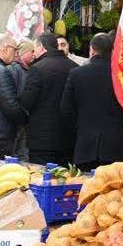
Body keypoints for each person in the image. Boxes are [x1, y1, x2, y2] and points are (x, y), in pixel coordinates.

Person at [61, 32, 123, 168]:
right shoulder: (121, 76)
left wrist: (79, 127)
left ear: (92, 49)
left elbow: (66, 108)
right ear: (112, 50)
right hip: (115, 145)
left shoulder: (77, 74)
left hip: (85, 144)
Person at [21, 33, 79, 165]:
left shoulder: (37, 68)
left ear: (41, 47)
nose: (34, 51)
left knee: (41, 176)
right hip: (68, 136)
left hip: (42, 139)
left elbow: (27, 101)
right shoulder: (75, 67)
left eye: (35, 48)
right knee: (65, 178)